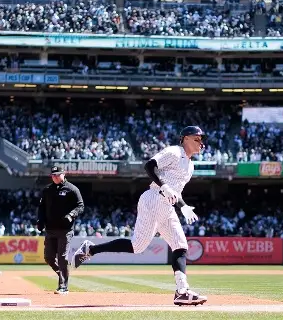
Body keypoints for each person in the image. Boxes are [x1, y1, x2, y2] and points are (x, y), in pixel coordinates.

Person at [73, 126, 207, 306]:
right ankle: (90, 249)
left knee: (181, 246)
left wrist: (183, 207)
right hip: (153, 199)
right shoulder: (174, 152)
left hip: (167, 207)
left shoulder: (190, 165)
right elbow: (149, 166)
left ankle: (181, 291)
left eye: (201, 139)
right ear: (184, 139)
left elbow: (176, 192)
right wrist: (164, 187)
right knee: (137, 246)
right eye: (196, 138)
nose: (201, 142)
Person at [37, 165, 84, 294]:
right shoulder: (47, 190)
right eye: (53, 175)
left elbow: (80, 206)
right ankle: (62, 274)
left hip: (65, 230)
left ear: (64, 174)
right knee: (48, 258)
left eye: (58, 175)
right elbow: (41, 208)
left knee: (62, 257)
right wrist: (40, 221)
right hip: (50, 229)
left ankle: (63, 286)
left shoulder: (72, 189)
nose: (55, 177)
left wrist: (71, 215)